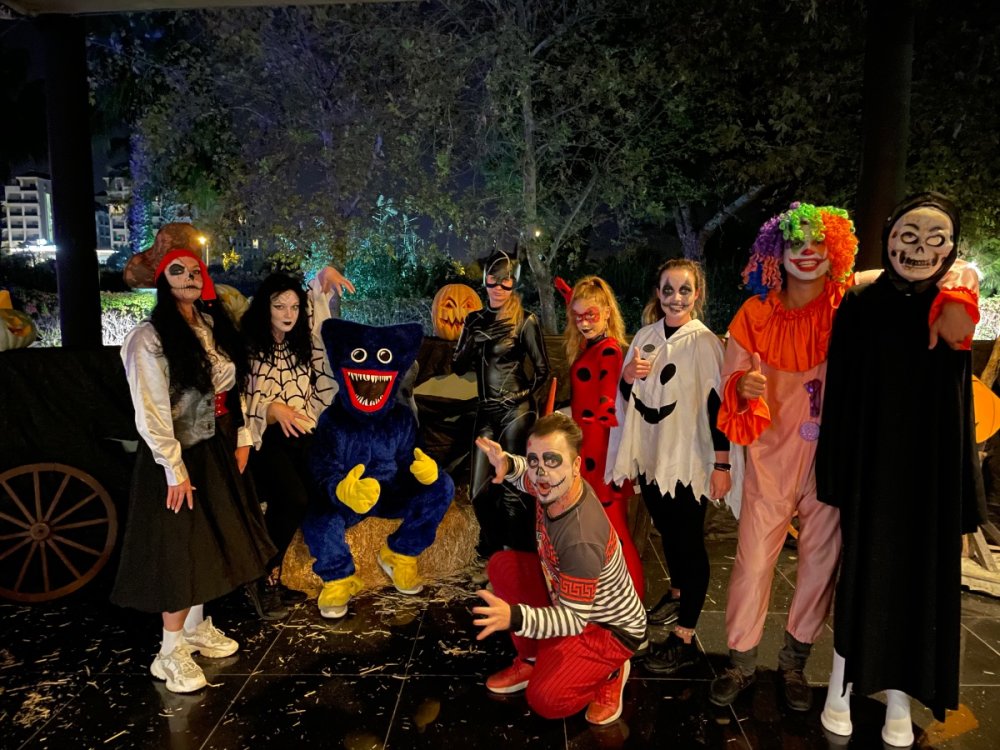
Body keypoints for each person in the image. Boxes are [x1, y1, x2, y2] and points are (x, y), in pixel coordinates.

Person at [710, 201, 978, 713]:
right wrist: (741, 384)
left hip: (834, 459)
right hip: (770, 459)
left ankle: (793, 662)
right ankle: (740, 661)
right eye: (796, 243)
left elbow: (941, 265)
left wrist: (962, 283)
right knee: (752, 562)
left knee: (820, 563)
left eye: (818, 242)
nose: (807, 252)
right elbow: (729, 379)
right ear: (776, 252)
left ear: (835, 249)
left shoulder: (851, 298)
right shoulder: (754, 314)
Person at [817, 193, 984, 745]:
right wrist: (835, 472)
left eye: (935, 239)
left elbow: (959, 401)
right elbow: (841, 389)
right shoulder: (862, 303)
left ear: (951, 246)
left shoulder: (953, 303)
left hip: (927, 473)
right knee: (861, 577)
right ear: (888, 235)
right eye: (907, 236)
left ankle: (898, 695)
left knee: (919, 585)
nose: (919, 249)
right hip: (871, 466)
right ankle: (841, 684)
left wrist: (963, 492)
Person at [112, 248, 276, 694]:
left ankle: (195, 628)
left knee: (211, 539)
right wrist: (173, 468)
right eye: (177, 270)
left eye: (194, 269)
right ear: (162, 281)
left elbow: (234, 389)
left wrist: (242, 436)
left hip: (216, 445)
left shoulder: (209, 325)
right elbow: (150, 409)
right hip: (179, 454)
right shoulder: (148, 338)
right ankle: (169, 652)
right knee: (180, 544)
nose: (188, 276)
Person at [473, 413, 647, 725]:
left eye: (552, 460)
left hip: (607, 628)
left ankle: (612, 671)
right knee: (503, 566)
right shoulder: (554, 485)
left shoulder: (580, 537)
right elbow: (528, 475)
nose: (541, 471)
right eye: (535, 460)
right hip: (570, 599)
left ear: (576, 466)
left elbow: (574, 619)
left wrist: (514, 617)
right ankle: (531, 659)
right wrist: (508, 464)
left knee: (547, 698)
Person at [607, 259, 738, 675]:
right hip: (652, 456)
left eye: (684, 290)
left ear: (696, 294)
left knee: (688, 541)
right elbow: (626, 395)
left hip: (687, 460)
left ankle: (684, 636)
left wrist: (721, 464)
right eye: (668, 289)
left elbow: (718, 407)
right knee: (666, 531)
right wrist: (628, 375)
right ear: (658, 293)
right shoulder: (645, 336)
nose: (675, 298)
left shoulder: (705, 344)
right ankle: (678, 593)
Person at [453, 248, 550, 555]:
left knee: (512, 488)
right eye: (492, 280)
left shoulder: (525, 320)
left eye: (505, 281)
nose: (498, 287)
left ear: (514, 283)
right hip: (486, 411)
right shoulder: (474, 320)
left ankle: (513, 554)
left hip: (516, 411)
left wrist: (520, 398)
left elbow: (544, 370)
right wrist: (473, 340)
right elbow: (457, 367)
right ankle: (494, 549)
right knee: (479, 490)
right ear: (484, 280)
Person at [242, 273, 325, 615]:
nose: (288, 314)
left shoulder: (300, 344)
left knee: (319, 494)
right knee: (293, 498)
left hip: (301, 435)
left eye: (294, 307)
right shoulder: (248, 347)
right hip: (263, 437)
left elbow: (317, 311)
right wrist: (270, 410)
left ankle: (271, 575)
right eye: (279, 306)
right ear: (265, 307)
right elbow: (239, 400)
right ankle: (261, 577)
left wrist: (322, 278)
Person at [562, 276, 644, 597]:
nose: (583, 323)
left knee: (613, 529)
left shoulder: (608, 351)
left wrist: (606, 406)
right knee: (599, 529)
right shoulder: (591, 346)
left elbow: (608, 389)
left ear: (607, 312)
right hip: (588, 448)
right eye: (577, 316)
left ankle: (631, 597)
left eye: (591, 315)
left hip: (601, 453)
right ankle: (607, 597)